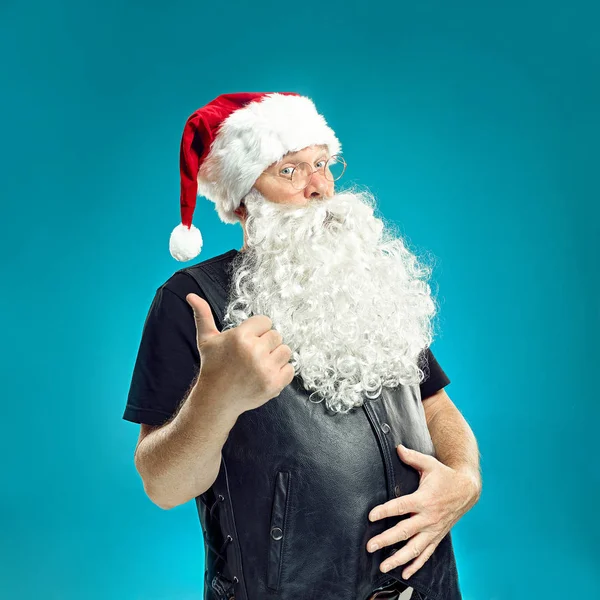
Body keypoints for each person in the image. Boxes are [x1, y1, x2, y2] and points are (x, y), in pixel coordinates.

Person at [123, 92, 481, 600]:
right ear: (245, 198)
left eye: (320, 164)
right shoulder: (194, 301)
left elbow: (436, 405)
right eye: (288, 172)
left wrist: (463, 480)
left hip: (429, 588)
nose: (318, 188)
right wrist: (216, 396)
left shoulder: (365, 281)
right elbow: (162, 484)